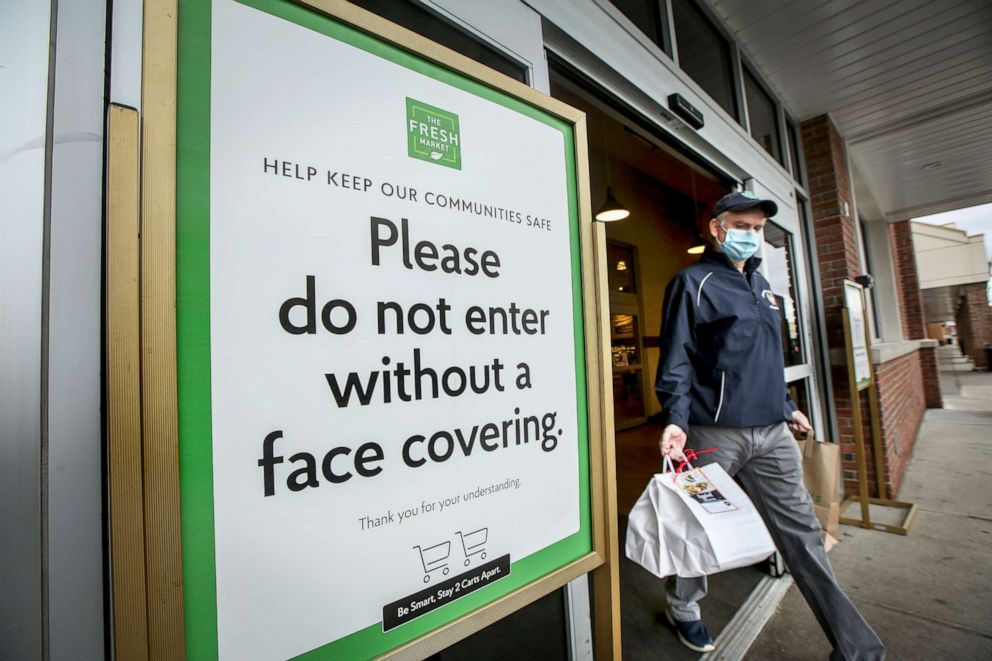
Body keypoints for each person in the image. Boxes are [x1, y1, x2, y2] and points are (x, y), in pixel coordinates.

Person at [655, 191, 885, 659]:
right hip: (712, 432)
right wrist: (676, 418)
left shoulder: (763, 288)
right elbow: (676, 358)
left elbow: (767, 358)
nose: (752, 235)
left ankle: (855, 648)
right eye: (743, 226)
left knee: (803, 535)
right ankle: (684, 608)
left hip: (772, 433)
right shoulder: (693, 283)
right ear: (717, 228)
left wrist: (785, 404)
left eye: (759, 229)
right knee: (699, 527)